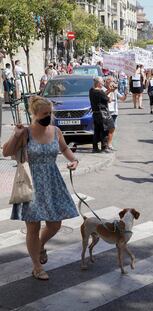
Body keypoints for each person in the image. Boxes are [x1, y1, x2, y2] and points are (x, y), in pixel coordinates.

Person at [2, 96, 79, 281]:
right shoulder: (26, 133)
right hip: (31, 183)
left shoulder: (56, 130)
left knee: (55, 224)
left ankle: (41, 245)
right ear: (34, 114)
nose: (48, 116)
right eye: (44, 114)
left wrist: (74, 160)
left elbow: (64, 149)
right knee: (33, 227)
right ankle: (36, 266)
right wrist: (16, 134)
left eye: (50, 113)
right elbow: (6, 152)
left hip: (52, 181)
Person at [89, 77, 114, 153]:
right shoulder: (100, 92)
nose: (103, 83)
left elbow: (102, 96)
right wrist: (112, 92)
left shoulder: (91, 90)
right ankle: (104, 147)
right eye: (102, 82)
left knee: (96, 131)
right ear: (99, 83)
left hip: (95, 113)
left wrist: (109, 90)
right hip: (102, 113)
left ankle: (95, 148)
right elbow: (109, 100)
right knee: (104, 130)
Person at [105, 76, 126, 150]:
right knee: (108, 129)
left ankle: (109, 144)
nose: (113, 83)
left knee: (112, 129)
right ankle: (107, 144)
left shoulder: (115, 91)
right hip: (107, 112)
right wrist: (110, 90)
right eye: (111, 81)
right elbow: (105, 97)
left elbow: (122, 99)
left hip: (114, 111)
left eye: (113, 82)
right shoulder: (104, 90)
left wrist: (125, 93)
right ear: (107, 81)